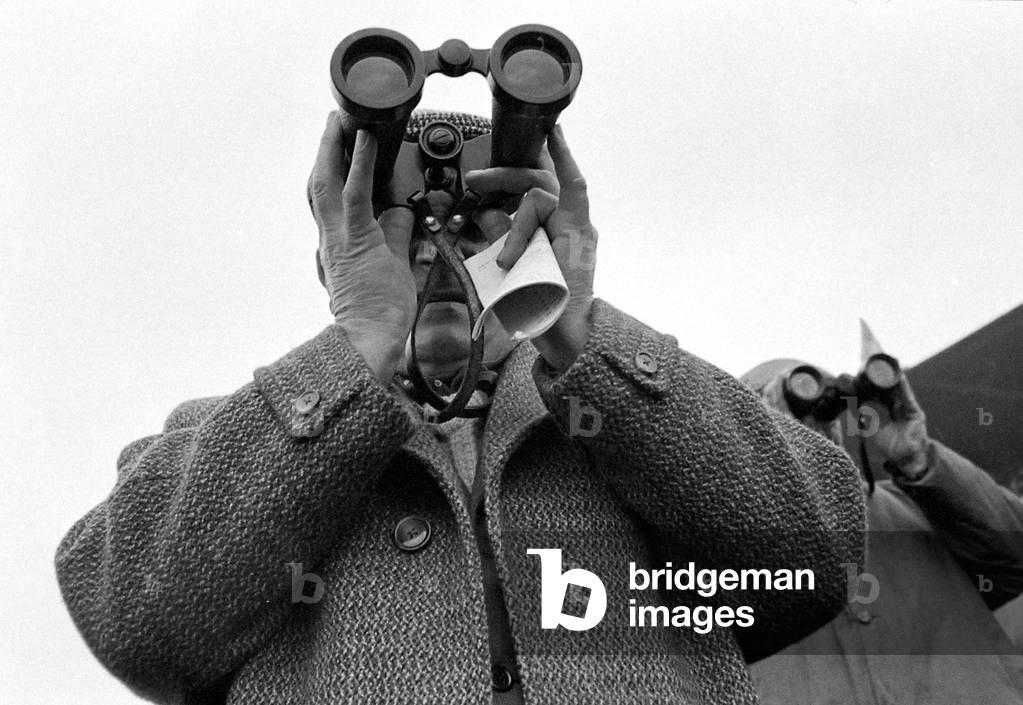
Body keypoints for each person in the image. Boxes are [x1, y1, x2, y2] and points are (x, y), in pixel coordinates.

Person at [55, 111, 865, 705]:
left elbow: (813, 554)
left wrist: (575, 325)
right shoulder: (234, 439)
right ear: (334, 261)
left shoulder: (628, 414)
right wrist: (361, 338)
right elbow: (140, 625)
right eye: (395, 227)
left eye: (479, 229)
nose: (436, 252)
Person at [743, 358, 1023, 704]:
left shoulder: (925, 504)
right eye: (776, 406)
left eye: (820, 404)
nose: (807, 421)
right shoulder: (726, 544)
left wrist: (919, 458)